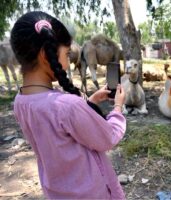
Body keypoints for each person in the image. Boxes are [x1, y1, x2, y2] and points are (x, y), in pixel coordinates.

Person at [10, 11, 126, 199]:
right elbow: (108, 138)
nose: (68, 61)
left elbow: (58, 131)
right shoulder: (67, 106)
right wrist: (118, 109)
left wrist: (89, 103)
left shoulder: (20, 101)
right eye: (67, 53)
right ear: (45, 55)